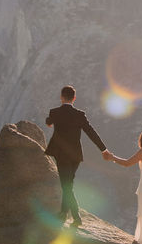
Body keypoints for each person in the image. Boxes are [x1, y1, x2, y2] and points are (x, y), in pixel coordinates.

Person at [44, 85, 112, 227]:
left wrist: (49, 121)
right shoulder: (80, 115)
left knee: (66, 186)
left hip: (61, 154)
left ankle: (76, 217)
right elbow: (91, 132)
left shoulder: (54, 112)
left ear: (61, 97)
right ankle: (63, 213)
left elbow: (49, 122)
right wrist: (103, 149)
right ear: (74, 98)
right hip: (75, 156)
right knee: (68, 184)